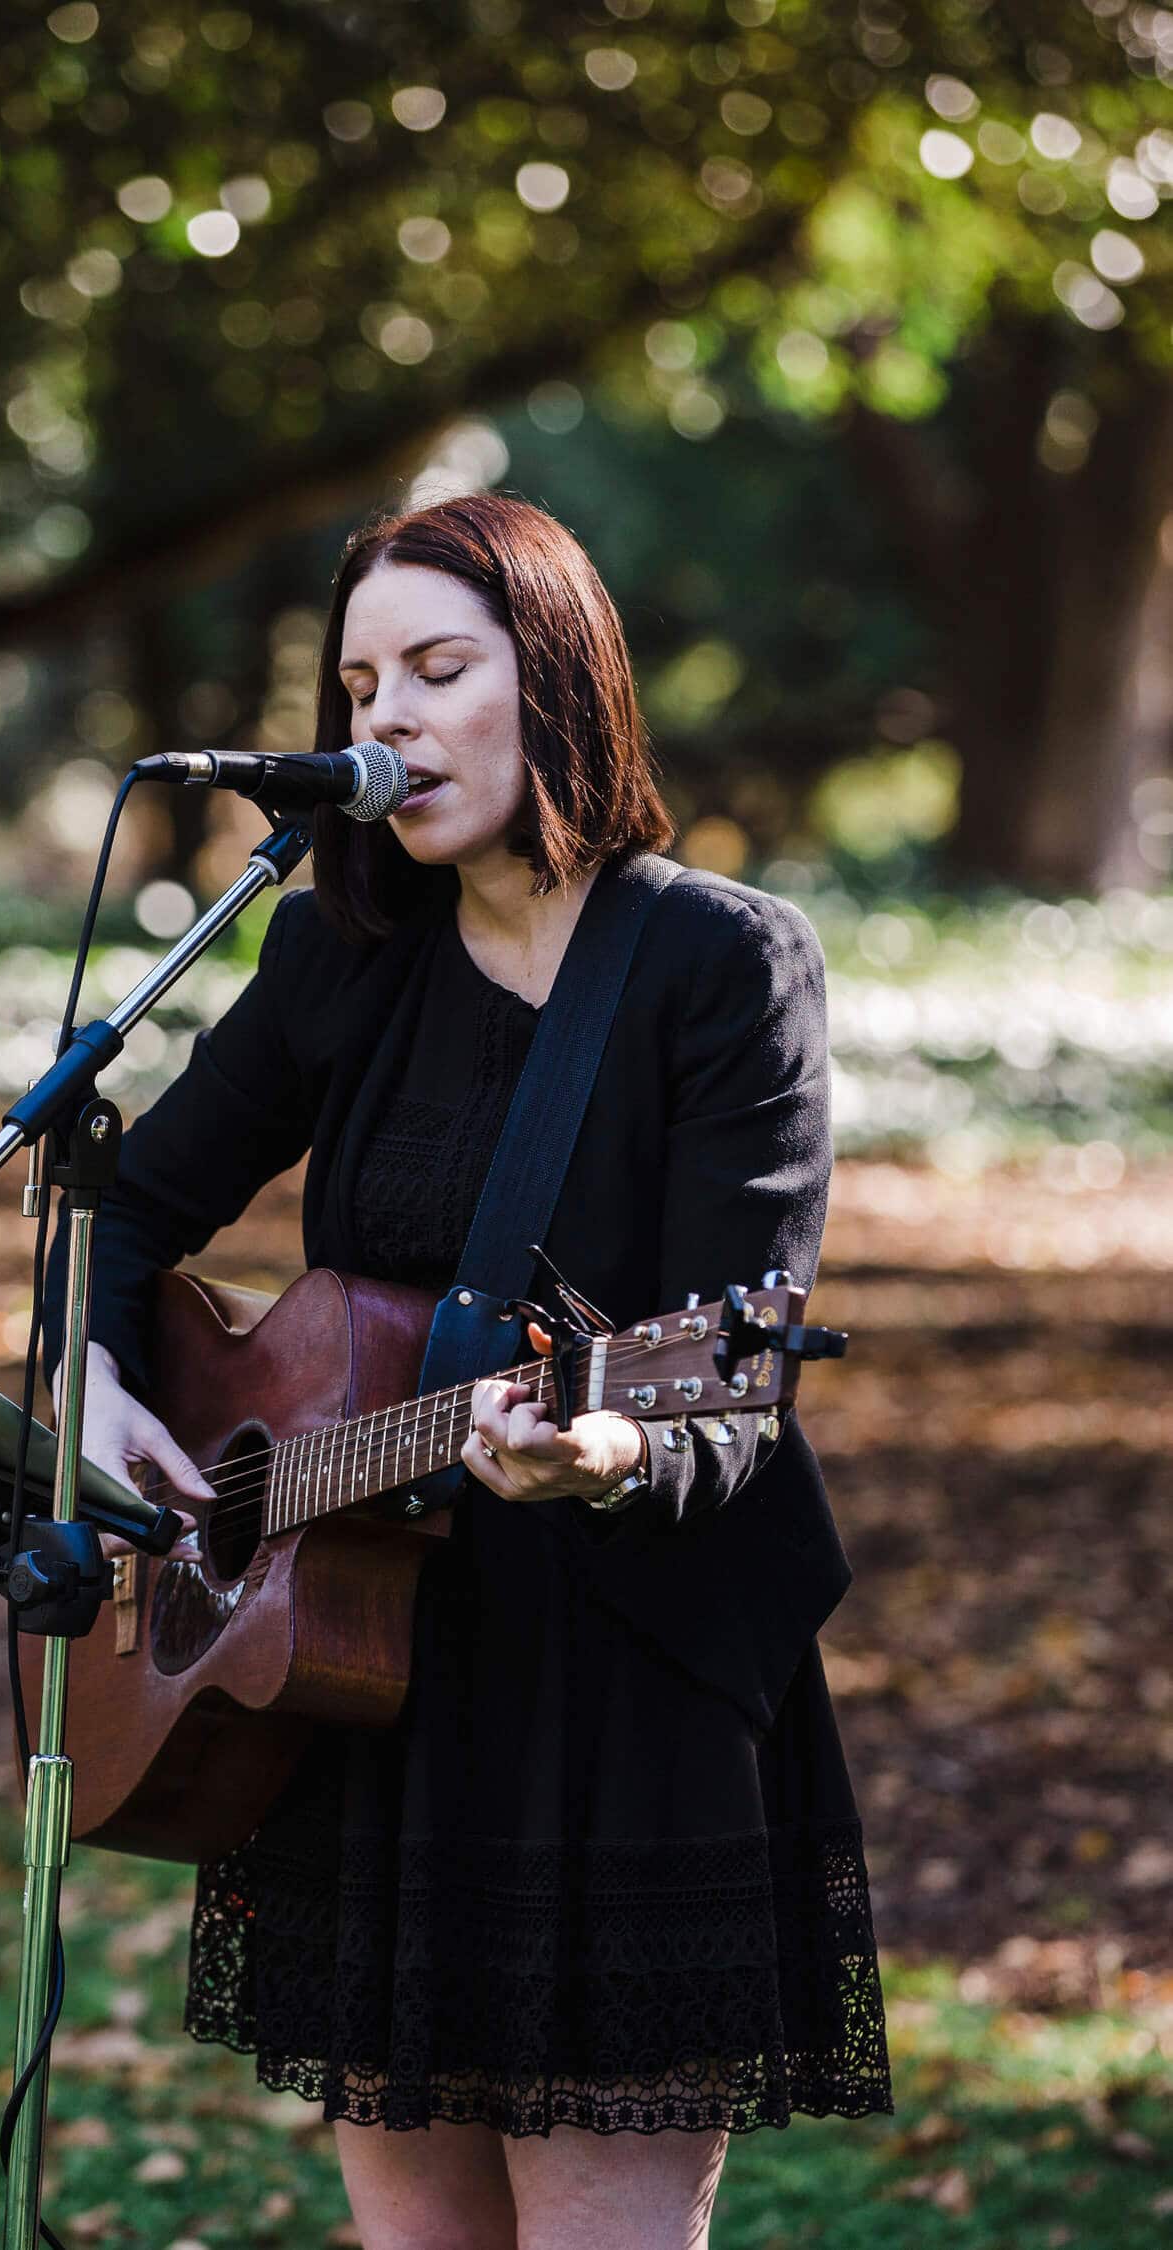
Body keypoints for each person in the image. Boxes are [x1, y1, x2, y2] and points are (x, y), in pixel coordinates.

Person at [44, 493, 893, 2250]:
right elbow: (126, 1201)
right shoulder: (345, 954)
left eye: (438, 668)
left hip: (622, 1690)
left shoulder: (720, 964)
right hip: (371, 1672)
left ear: (559, 681)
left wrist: (608, 1452)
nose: (388, 720)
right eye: (361, 683)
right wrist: (100, 1381)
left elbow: (735, 1370)